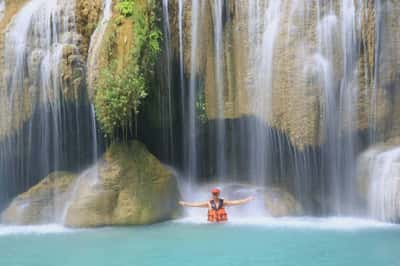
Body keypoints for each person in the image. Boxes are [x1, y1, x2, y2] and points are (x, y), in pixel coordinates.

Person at [179, 188, 254, 223]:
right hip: (211, 226)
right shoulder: (208, 203)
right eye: (214, 194)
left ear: (219, 194)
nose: (215, 195)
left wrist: (248, 199)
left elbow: (236, 202)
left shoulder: (223, 202)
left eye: (216, 193)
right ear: (212, 194)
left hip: (222, 226)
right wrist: (185, 203)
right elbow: (195, 205)